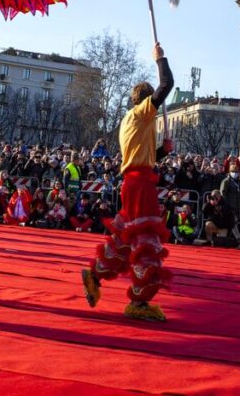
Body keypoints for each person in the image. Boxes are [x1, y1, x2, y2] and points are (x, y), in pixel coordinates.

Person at [82, 43, 174, 322]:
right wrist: (160, 58)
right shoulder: (143, 114)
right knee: (148, 241)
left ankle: (95, 273)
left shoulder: (129, 120)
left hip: (134, 180)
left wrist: (162, 152)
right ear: (146, 102)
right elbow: (167, 84)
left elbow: (139, 156)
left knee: (123, 241)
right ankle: (139, 300)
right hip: (140, 185)